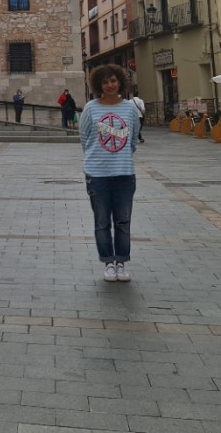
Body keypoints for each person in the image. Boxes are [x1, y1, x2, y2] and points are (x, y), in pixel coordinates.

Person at [78, 64, 141, 282]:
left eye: (113, 80)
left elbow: (133, 141)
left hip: (124, 174)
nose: (110, 85)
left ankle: (121, 261)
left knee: (123, 221)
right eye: (105, 82)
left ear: (120, 82)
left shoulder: (130, 109)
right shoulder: (91, 108)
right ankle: (108, 263)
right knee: (102, 221)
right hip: (97, 176)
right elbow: (84, 139)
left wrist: (119, 157)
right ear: (99, 85)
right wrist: (96, 159)